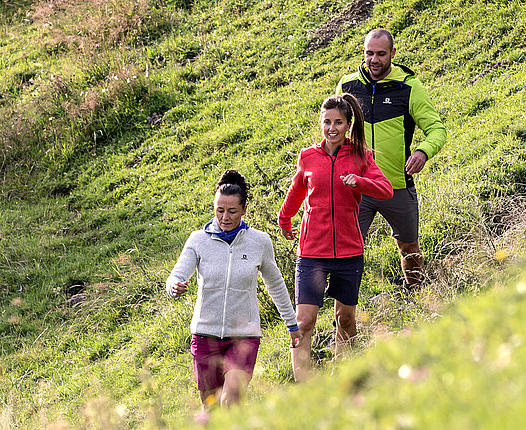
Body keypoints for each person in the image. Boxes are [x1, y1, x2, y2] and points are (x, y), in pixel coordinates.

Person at [278, 93, 392, 381]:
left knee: (346, 319)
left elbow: (386, 189)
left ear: (348, 124)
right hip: (312, 253)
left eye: (338, 122)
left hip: (348, 252)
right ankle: (305, 385)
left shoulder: (360, 156)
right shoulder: (308, 156)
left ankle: (345, 379)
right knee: (304, 322)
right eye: (326, 122)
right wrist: (284, 219)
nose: (332, 128)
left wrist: (361, 181)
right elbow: (297, 191)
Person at [166, 170, 302, 408]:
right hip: (205, 336)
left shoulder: (259, 242)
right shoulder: (198, 240)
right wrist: (174, 287)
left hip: (244, 336)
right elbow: (177, 274)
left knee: (231, 401)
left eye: (232, 211)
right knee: (211, 410)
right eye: (220, 210)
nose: (225, 217)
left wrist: (292, 324)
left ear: (244, 209)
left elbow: (276, 284)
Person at [336, 28, 448, 290]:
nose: (374, 60)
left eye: (381, 54)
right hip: (357, 186)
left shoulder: (409, 87)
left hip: (395, 184)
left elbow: (437, 129)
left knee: (408, 246)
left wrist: (423, 152)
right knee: (347, 252)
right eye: (369, 53)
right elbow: (332, 129)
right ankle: (343, 318)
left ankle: (416, 294)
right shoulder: (347, 85)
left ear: (393, 54)